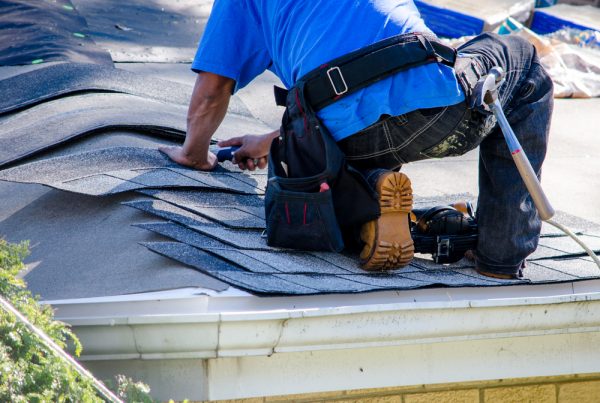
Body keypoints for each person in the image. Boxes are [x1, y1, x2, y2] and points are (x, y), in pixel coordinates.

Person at [159, 0, 554, 278]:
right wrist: (267, 140)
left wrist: (195, 154)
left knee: (345, 130)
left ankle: (370, 199)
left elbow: (212, 91)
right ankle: (500, 256)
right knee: (523, 58)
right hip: (435, 112)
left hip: (331, 144)